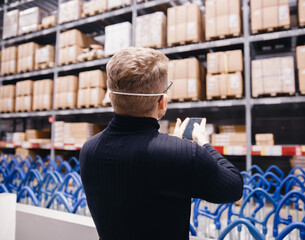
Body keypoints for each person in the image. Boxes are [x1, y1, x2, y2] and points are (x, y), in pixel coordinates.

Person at [79, 47, 243, 240]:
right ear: (162, 101)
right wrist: (203, 144)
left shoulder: (89, 150)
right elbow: (233, 187)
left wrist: (173, 146)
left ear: (111, 97)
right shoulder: (183, 154)